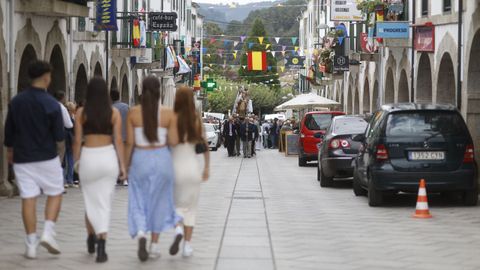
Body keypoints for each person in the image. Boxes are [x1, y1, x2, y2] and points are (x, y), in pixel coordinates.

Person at [4, 61, 64, 259]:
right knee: (55, 192)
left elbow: (9, 131)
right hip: (47, 156)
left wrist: (10, 151)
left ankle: (31, 242)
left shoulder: (17, 101)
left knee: (28, 198)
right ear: (46, 77)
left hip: (22, 157)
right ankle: (48, 231)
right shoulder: (52, 104)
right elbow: (58, 135)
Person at [125, 76, 182, 262]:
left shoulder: (133, 113)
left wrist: (125, 166)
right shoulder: (168, 113)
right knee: (160, 201)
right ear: (160, 91)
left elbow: (130, 144)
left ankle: (141, 233)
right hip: (162, 157)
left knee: (138, 198)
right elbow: (173, 142)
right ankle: (156, 245)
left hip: (140, 158)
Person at [73, 77, 127, 263]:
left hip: (89, 157)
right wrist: (122, 166)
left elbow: (77, 140)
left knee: (90, 201)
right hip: (107, 158)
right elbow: (118, 140)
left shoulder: (81, 113)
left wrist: (76, 161)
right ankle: (102, 244)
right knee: (104, 203)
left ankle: (90, 236)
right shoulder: (113, 113)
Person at [172, 86, 210, 257]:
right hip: (193, 167)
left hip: (174, 166)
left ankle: (177, 229)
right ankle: (187, 245)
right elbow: (205, 146)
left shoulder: (171, 118)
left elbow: (168, 143)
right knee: (191, 207)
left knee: (174, 204)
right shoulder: (196, 119)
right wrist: (207, 167)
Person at [110, 89, 130, 187]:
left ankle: (116, 178)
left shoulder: (110, 108)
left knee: (115, 158)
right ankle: (125, 179)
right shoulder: (126, 107)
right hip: (126, 135)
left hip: (115, 136)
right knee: (125, 157)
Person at [64, 102, 77, 188]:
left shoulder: (70, 116)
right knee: (67, 161)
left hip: (67, 140)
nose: (73, 112)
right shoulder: (68, 117)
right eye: (72, 110)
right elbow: (71, 127)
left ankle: (67, 180)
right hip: (68, 140)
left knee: (67, 161)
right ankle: (68, 180)